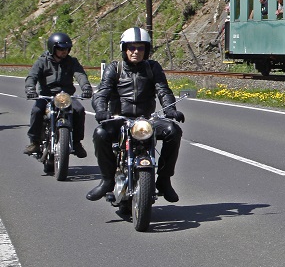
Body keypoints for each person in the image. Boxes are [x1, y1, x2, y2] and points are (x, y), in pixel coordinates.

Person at [87, 27, 185, 203]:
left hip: (146, 120)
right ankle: (107, 180)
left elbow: (163, 90)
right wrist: (101, 110)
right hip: (119, 119)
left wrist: (170, 109)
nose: (136, 52)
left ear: (146, 50)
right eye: (131, 47)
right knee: (100, 133)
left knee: (173, 130)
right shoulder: (114, 68)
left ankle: (164, 180)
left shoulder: (152, 67)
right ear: (124, 49)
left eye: (140, 48)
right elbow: (102, 93)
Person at [24, 32, 92, 157]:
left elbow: (80, 75)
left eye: (66, 49)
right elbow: (32, 76)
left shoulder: (72, 62)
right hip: (47, 96)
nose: (64, 51)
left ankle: (77, 142)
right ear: (53, 48)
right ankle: (34, 142)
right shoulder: (42, 62)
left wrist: (86, 87)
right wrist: (30, 89)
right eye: (61, 49)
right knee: (36, 111)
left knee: (79, 110)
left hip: (66, 96)